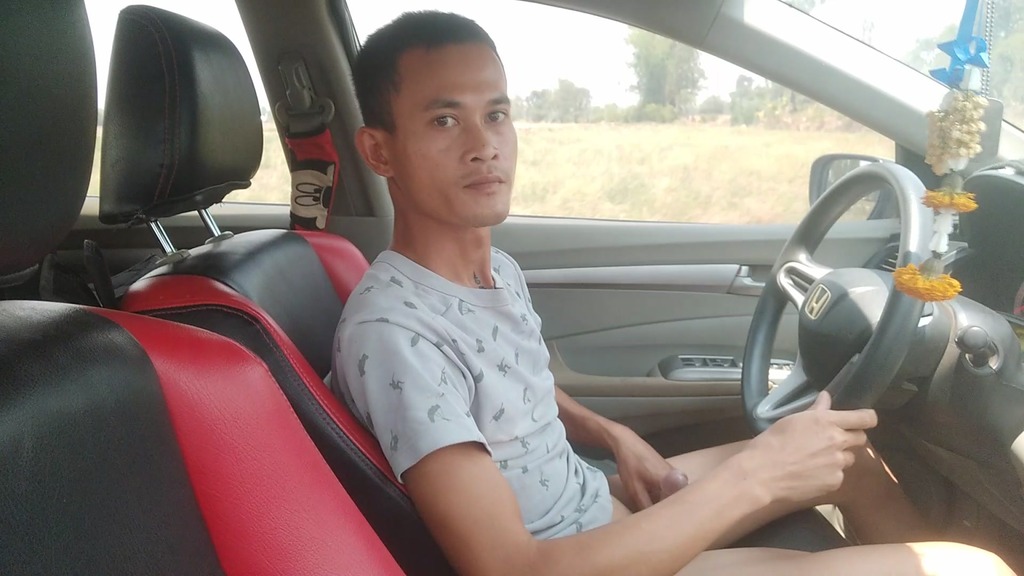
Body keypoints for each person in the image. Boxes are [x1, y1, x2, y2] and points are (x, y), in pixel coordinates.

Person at [330, 10, 1015, 576]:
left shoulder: (496, 270)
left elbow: (508, 390)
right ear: (379, 151)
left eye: (497, 114)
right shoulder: (396, 336)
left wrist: (611, 434)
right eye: (445, 121)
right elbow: (512, 569)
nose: (484, 145)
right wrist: (758, 476)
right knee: (971, 568)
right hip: (577, 560)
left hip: (598, 505)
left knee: (845, 457)